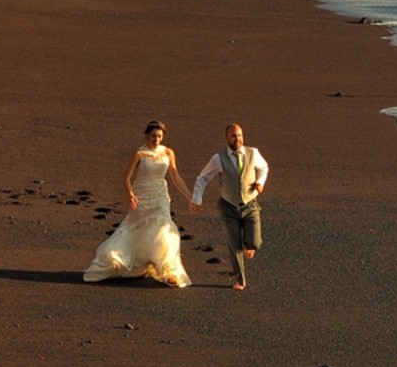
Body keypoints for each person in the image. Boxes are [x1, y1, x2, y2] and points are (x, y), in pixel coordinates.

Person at [84, 120, 193, 287]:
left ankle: (168, 271)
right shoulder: (139, 153)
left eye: (159, 136)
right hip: (142, 195)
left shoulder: (168, 152)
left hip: (160, 196)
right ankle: (130, 262)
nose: (156, 140)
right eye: (153, 136)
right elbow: (127, 178)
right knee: (138, 230)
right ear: (147, 136)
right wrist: (131, 195)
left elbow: (175, 177)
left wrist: (190, 197)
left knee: (164, 227)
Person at [190, 123, 269, 291]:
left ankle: (251, 245)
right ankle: (240, 280)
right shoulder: (218, 159)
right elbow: (203, 178)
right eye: (233, 136)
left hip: (250, 204)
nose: (237, 139)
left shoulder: (253, 153)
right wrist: (196, 199)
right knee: (234, 244)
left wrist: (260, 182)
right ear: (227, 138)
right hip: (229, 207)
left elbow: (263, 168)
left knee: (254, 241)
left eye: (240, 135)